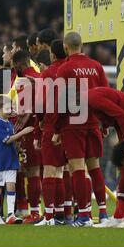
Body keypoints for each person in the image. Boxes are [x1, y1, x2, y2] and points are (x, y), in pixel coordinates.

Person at [52, 31, 109, 227]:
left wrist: (57, 129)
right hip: (93, 123)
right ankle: (103, 213)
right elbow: (106, 96)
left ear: (66, 47)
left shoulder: (66, 69)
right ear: (82, 45)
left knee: (77, 168)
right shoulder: (96, 66)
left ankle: (84, 216)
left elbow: (61, 102)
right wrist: (106, 123)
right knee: (94, 167)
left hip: (73, 124)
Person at [87, 87, 124, 228]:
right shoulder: (91, 98)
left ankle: (118, 218)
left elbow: (121, 115)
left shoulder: (91, 99)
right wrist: (105, 125)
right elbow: (111, 112)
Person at [34, 39, 69, 226]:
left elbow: (39, 102)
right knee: (61, 171)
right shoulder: (71, 69)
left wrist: (40, 119)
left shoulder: (48, 73)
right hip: (71, 126)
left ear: (52, 55)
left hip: (51, 124)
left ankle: (48, 217)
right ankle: (61, 213)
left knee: (49, 170)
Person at [0, 95, 34, 225]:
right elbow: (7, 140)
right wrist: (23, 132)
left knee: (11, 186)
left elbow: (12, 141)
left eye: (11, 107)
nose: (11, 109)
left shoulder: (9, 123)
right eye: (8, 107)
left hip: (10, 159)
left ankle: (10, 215)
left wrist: (19, 149)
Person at [12, 49, 43, 224]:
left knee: (30, 172)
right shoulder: (39, 77)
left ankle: (34, 212)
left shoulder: (25, 81)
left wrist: (15, 132)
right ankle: (39, 210)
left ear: (19, 64)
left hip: (29, 132)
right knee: (37, 172)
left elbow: (25, 112)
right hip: (41, 129)